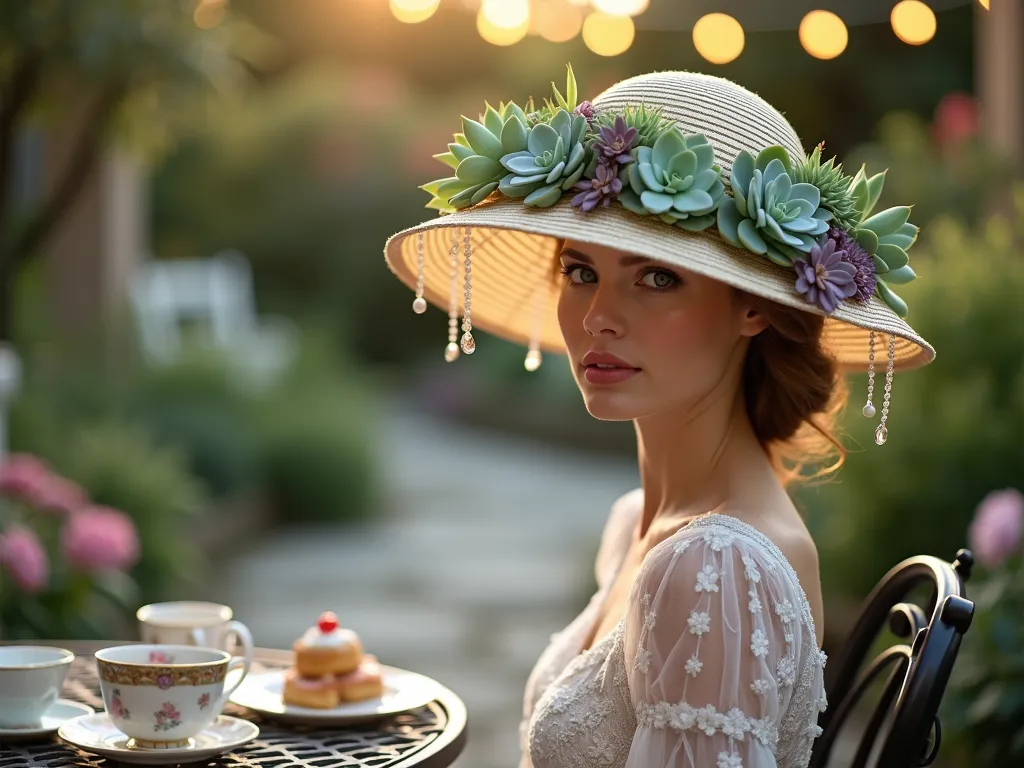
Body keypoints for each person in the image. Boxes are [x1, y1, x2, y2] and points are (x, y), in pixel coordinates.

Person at [383, 68, 933, 768]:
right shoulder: (635, 524)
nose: (598, 317)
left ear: (754, 307)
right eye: (582, 270)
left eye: (656, 278)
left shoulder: (718, 566)